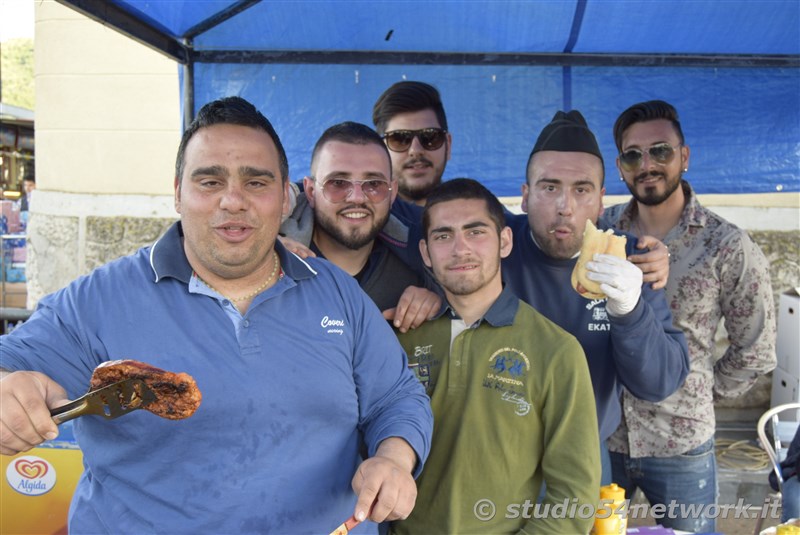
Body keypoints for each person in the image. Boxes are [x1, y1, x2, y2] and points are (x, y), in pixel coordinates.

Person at [0, 96, 433, 534]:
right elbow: (10, 364)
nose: (233, 201)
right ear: (177, 193)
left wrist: (393, 458)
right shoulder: (98, 300)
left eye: (256, 183)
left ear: (286, 197)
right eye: (209, 181)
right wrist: (9, 392)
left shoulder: (338, 293)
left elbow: (397, 396)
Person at [604, 99, 777, 533]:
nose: (647, 164)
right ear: (620, 166)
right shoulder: (604, 230)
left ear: (684, 156)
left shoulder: (726, 244)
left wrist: (697, 392)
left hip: (681, 446)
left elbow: (755, 348)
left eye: (660, 150)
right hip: (603, 437)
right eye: (633, 155)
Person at [391, 178, 599, 534]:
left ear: (504, 241)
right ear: (425, 253)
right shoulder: (398, 338)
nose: (460, 249)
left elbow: (575, 496)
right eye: (443, 236)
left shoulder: (556, 351)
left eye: (475, 232)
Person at [502, 110, 691, 484]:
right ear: (525, 196)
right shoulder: (494, 243)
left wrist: (629, 310)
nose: (565, 206)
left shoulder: (630, 256)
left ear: (601, 201)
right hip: (498, 452)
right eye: (549, 187)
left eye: (581, 190)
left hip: (583, 457)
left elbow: (659, 382)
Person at [280, 121, 440, 330]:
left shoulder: (419, 255)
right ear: (310, 192)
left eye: (373, 184)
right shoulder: (275, 257)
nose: (357, 197)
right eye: (338, 183)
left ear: (392, 192)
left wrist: (441, 301)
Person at [372, 81, 451, 209]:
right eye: (399, 139)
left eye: (429, 137)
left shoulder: (478, 218)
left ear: (448, 145)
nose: (415, 150)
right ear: (381, 151)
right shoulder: (360, 224)